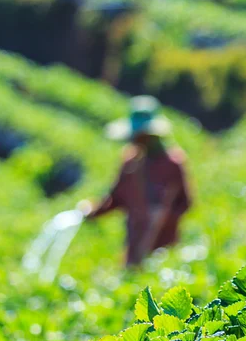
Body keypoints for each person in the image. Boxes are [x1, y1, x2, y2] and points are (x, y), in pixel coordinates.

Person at [82, 96, 192, 267]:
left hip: (162, 249)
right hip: (134, 244)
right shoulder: (130, 163)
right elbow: (116, 198)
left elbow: (185, 203)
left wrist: (162, 216)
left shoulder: (172, 164)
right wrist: (94, 211)